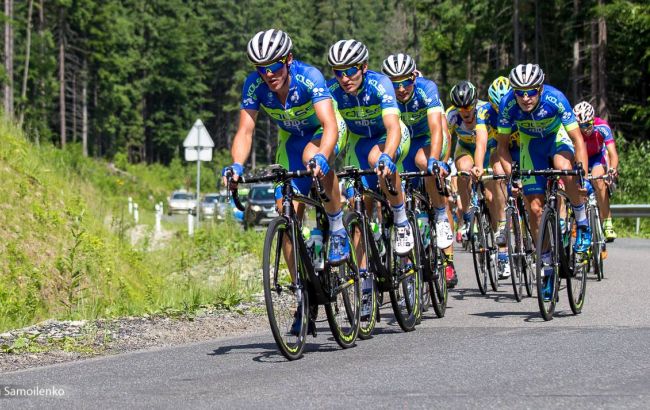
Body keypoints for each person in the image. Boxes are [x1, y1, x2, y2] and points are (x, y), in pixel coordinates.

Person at [222, 29, 349, 333]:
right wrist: (237, 165)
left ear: (288, 60)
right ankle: (304, 292)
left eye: (274, 66)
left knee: (311, 155)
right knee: (286, 211)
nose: (268, 74)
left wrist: (323, 155)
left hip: (325, 133)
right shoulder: (254, 85)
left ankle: (337, 224)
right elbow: (245, 131)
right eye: (260, 68)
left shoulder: (309, 77)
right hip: (290, 140)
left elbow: (329, 123)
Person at [496, 63, 590, 301]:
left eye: (531, 92)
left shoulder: (555, 98)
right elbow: (502, 148)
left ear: (540, 88)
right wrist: (512, 175)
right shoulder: (508, 105)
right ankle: (547, 268)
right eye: (520, 92)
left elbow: (578, 140)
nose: (526, 98)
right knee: (535, 209)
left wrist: (583, 176)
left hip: (556, 137)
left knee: (564, 168)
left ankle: (582, 220)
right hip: (531, 145)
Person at [381, 53, 458, 287]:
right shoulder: (385, 95)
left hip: (427, 141)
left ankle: (447, 252)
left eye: (405, 82)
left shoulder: (427, 89)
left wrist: (437, 160)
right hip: (403, 144)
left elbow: (439, 130)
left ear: (414, 77)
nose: (401, 88)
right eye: (395, 84)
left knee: (426, 167)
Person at [447, 80, 508, 278]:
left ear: (475, 102)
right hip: (465, 149)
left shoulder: (484, 110)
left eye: (468, 106)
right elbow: (447, 140)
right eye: (460, 107)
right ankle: (466, 218)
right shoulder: (452, 116)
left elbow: (482, 141)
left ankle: (499, 229)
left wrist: (480, 167)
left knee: (491, 195)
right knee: (463, 170)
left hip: (488, 148)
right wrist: (443, 162)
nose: (464, 111)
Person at [573, 101, 619, 242]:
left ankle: (607, 223)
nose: (585, 129)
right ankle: (576, 221)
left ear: (593, 120)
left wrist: (612, 169)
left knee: (599, 181)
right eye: (581, 126)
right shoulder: (573, 130)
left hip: (596, 158)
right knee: (575, 185)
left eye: (588, 124)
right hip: (580, 159)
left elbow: (612, 153)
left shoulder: (602, 126)